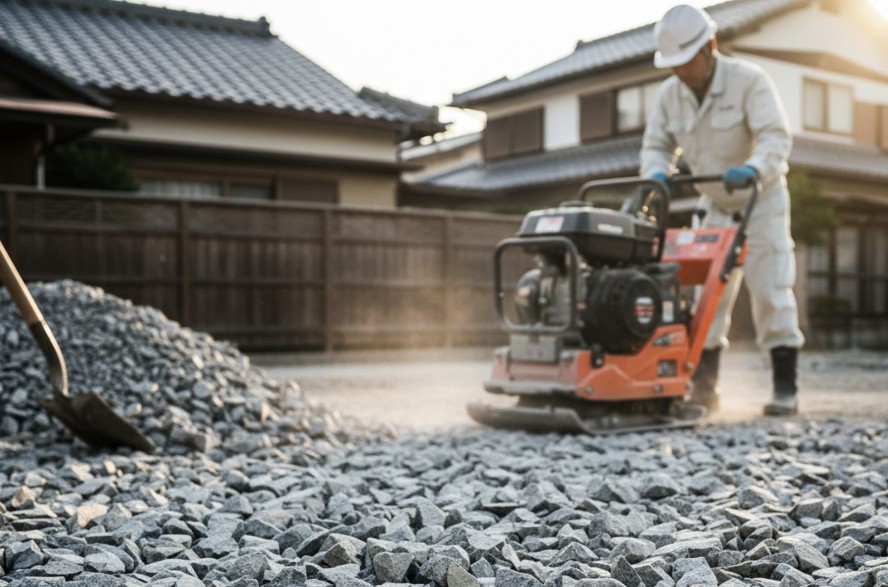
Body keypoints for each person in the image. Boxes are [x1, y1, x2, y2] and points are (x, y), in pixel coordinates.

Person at [640, 4, 805, 416]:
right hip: (713, 203)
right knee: (705, 298)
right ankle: (704, 389)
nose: (679, 71)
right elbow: (657, 144)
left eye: (685, 61)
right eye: (672, 64)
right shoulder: (669, 95)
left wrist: (752, 168)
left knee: (770, 292)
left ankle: (785, 388)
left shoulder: (749, 81)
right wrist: (657, 172)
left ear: (710, 47)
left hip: (760, 200)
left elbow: (774, 137)